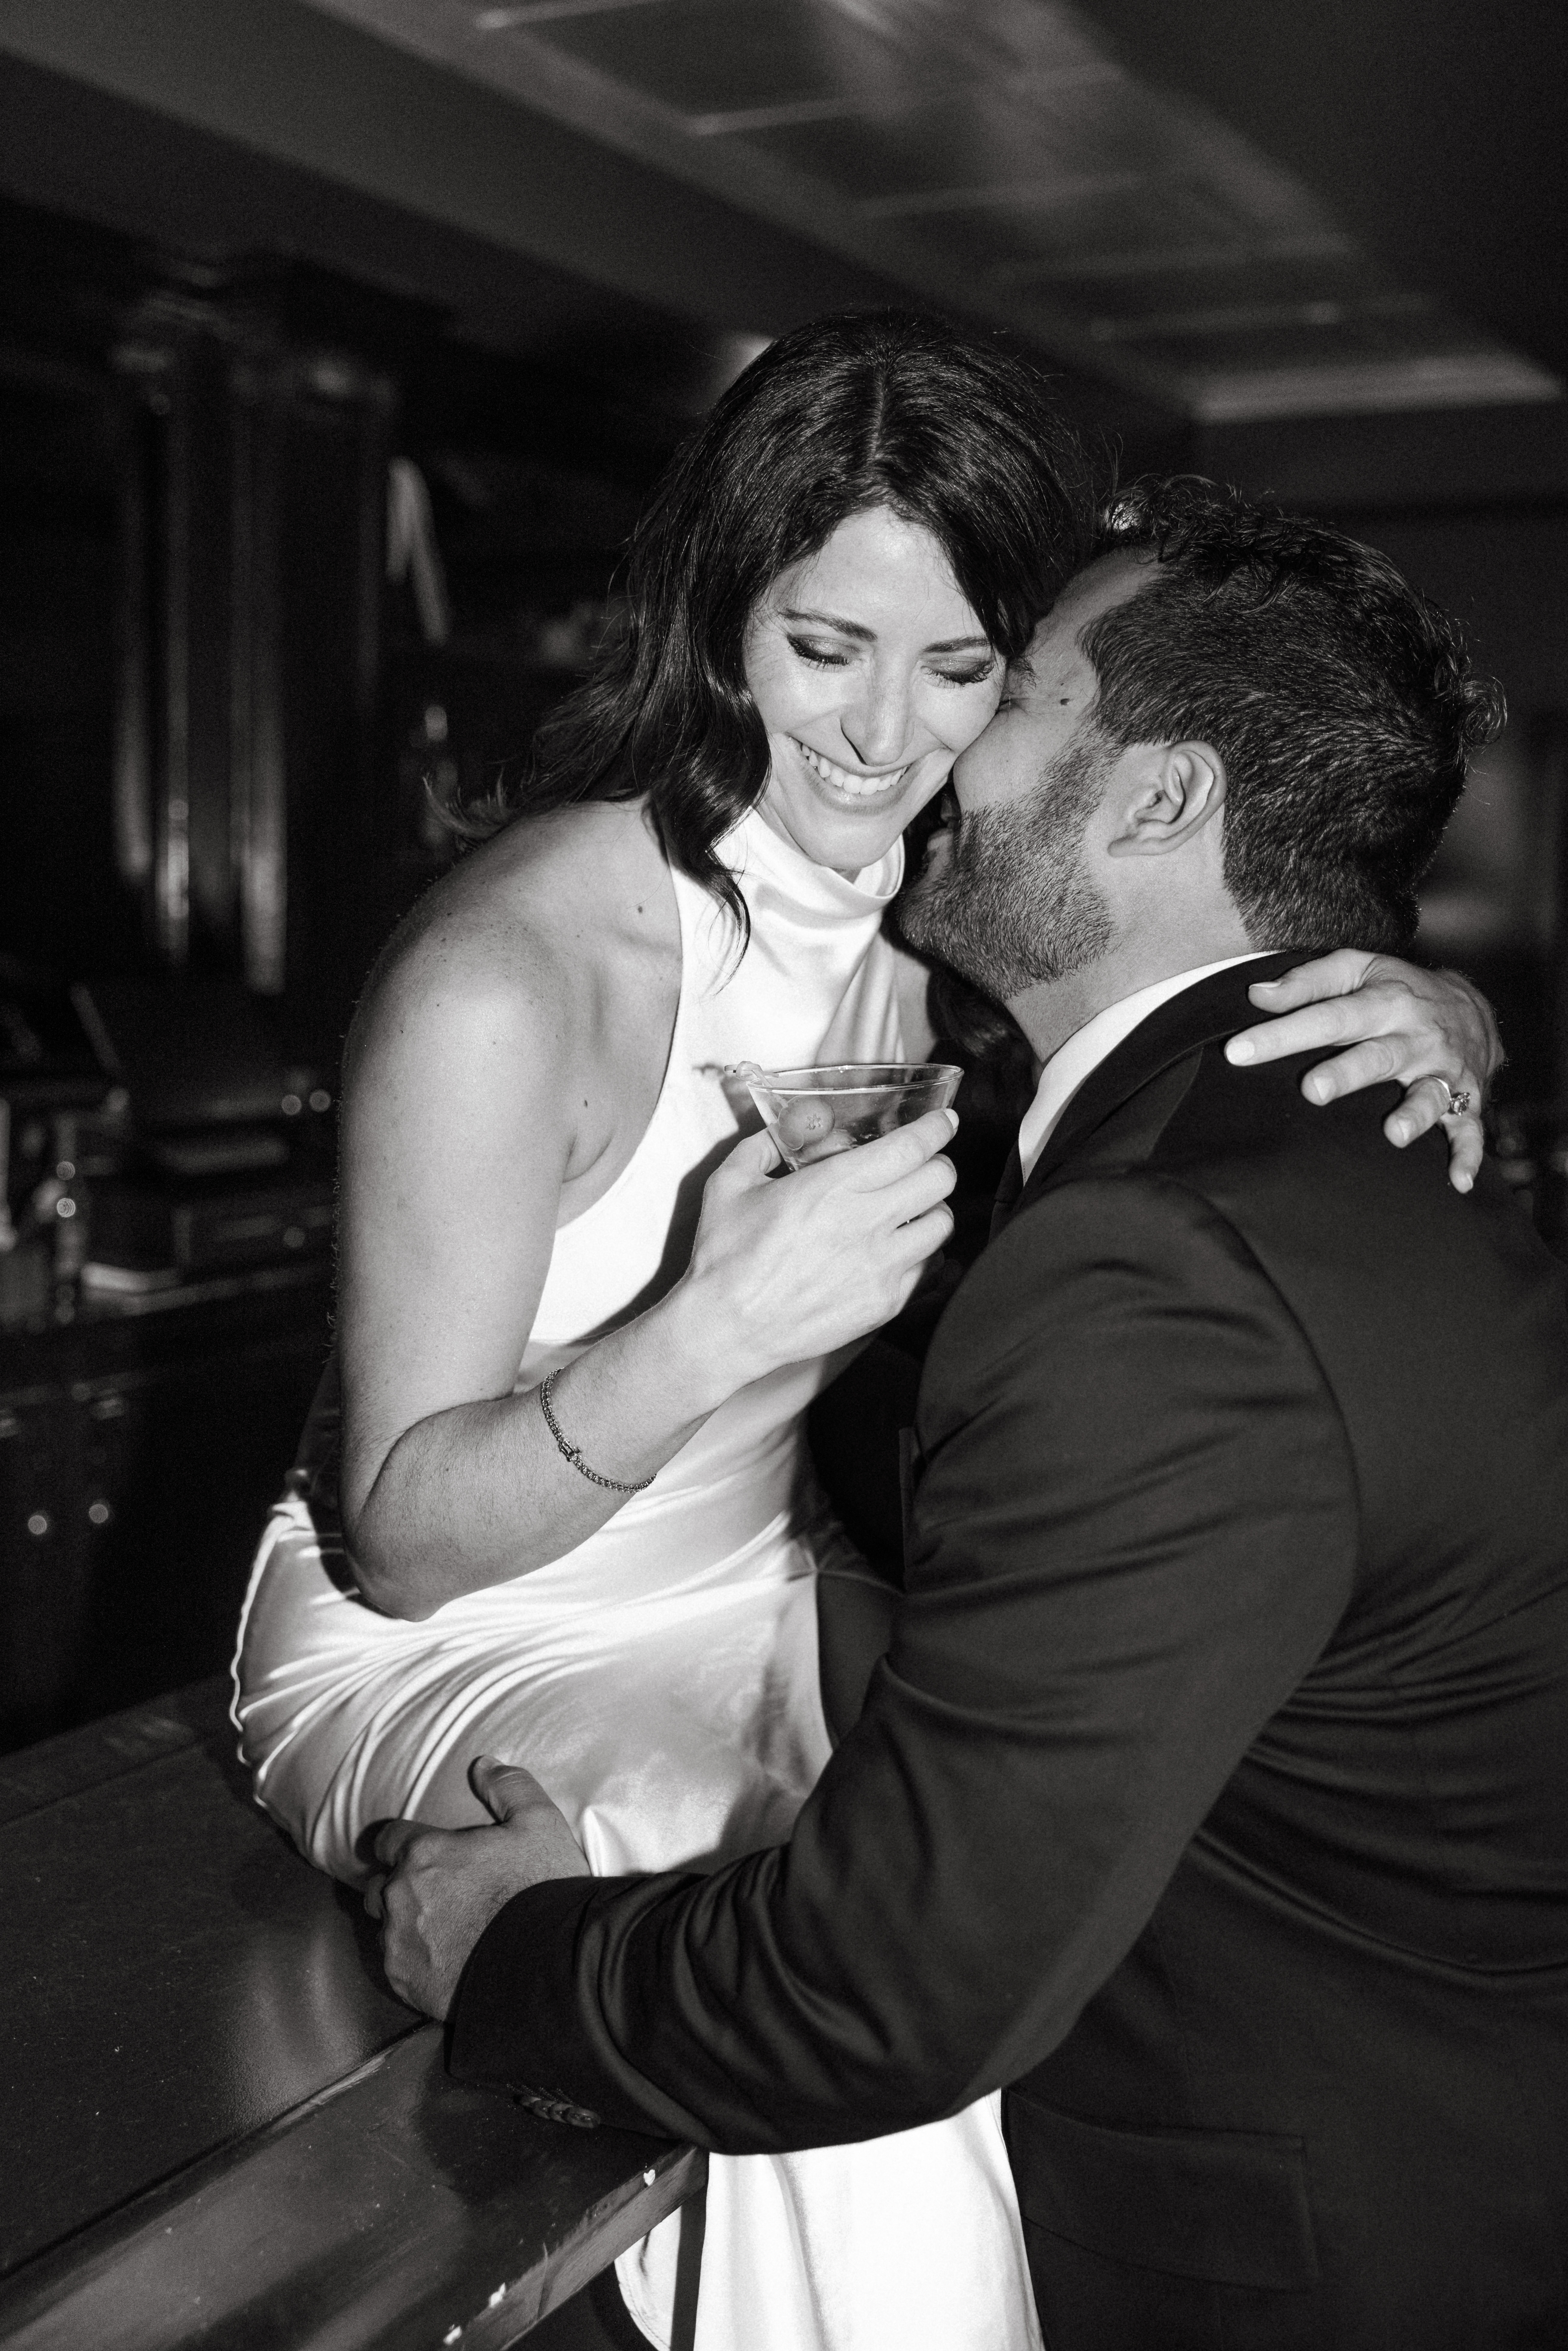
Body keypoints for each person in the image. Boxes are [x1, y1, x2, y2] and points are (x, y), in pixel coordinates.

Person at [233, 315, 1499, 2351]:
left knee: (1064, 1928)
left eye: (964, 668)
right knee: (867, 2116)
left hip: (774, 1591)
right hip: (474, 1635)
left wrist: (1424, 1002)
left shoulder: (963, 927)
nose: (886, 738)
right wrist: (715, 1320)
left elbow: (1218, 918)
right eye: (826, 648)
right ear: (721, 625)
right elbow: (401, 1541)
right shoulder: (512, 972)